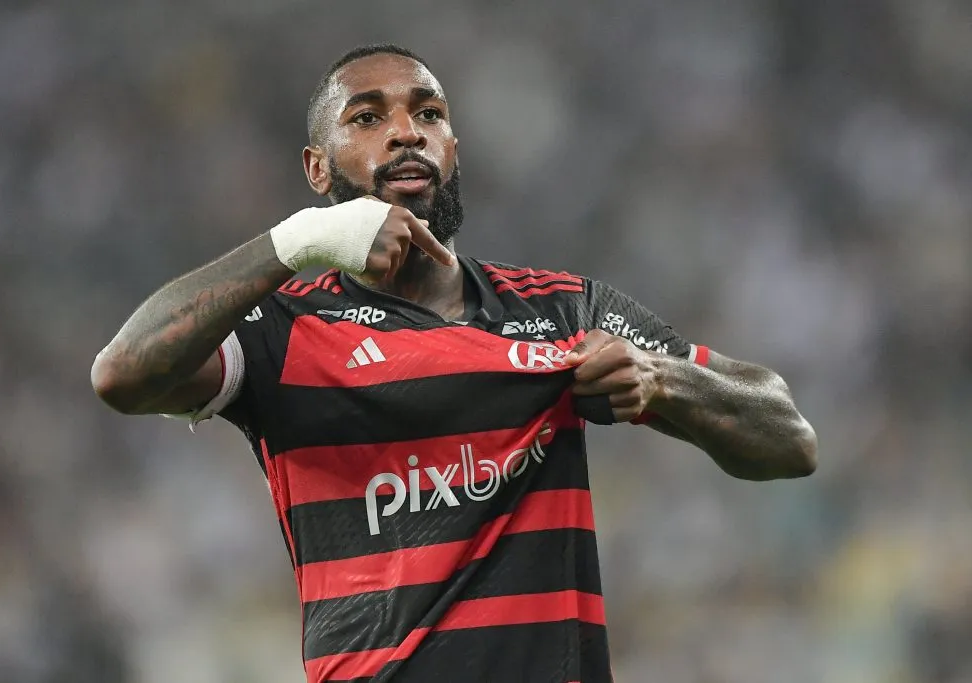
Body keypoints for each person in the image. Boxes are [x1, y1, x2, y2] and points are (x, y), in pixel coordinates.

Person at [91, 43, 818, 683]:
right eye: (367, 118)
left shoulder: (563, 309)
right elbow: (122, 374)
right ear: (317, 171)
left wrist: (664, 380)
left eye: (428, 113)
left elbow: (788, 437)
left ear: (454, 150)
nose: (407, 131)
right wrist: (295, 243)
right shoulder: (282, 328)